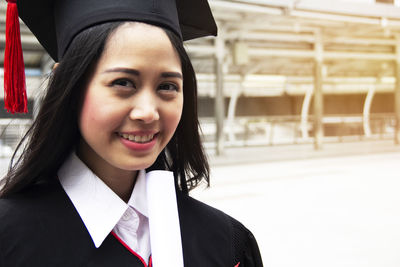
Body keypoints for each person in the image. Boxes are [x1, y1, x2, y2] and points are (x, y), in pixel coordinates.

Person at [0, 0, 263, 266]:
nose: (148, 113)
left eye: (168, 86)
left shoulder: (225, 244)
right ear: (69, 85)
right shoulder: (9, 240)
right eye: (123, 83)